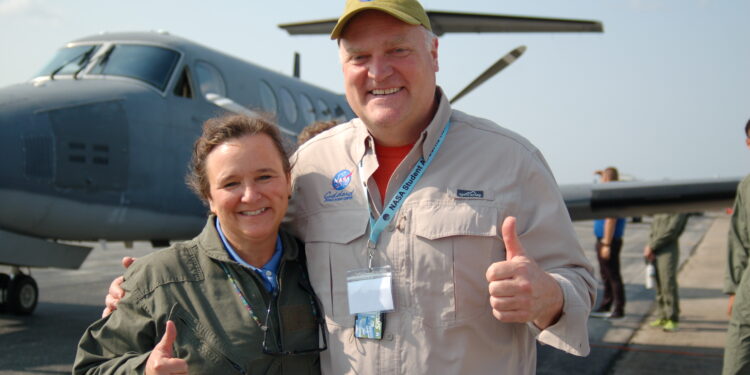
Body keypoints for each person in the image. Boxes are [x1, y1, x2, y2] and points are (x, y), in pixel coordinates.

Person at [104, 1, 596, 373]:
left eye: (398, 50)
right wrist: (149, 290)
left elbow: (577, 281)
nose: (378, 72)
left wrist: (550, 297)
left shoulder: (511, 160)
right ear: (342, 66)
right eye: (359, 56)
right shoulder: (311, 164)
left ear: (434, 52)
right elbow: (244, 252)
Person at [75, 115, 325, 374]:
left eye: (264, 177)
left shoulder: (320, 262)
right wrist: (143, 370)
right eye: (231, 183)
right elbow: (91, 368)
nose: (250, 195)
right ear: (209, 197)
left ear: (287, 180)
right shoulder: (158, 280)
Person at [723, 118, 750, 375]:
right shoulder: (746, 186)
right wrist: (734, 289)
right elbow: (739, 239)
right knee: (737, 362)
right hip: (748, 291)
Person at [591, 167, 628, 319]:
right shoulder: (614, 190)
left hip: (609, 241)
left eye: (602, 178)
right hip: (606, 240)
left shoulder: (612, 195)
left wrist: (606, 244)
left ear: (606, 179)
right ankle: (606, 304)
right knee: (606, 274)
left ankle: (618, 309)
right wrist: (602, 173)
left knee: (612, 275)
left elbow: (610, 220)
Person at [643, 213, 689, 332]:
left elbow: (672, 231)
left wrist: (652, 246)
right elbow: (653, 227)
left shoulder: (678, 209)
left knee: (668, 282)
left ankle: (672, 318)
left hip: (667, 249)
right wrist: (649, 245)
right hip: (654, 249)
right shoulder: (660, 209)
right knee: (659, 284)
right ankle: (662, 315)